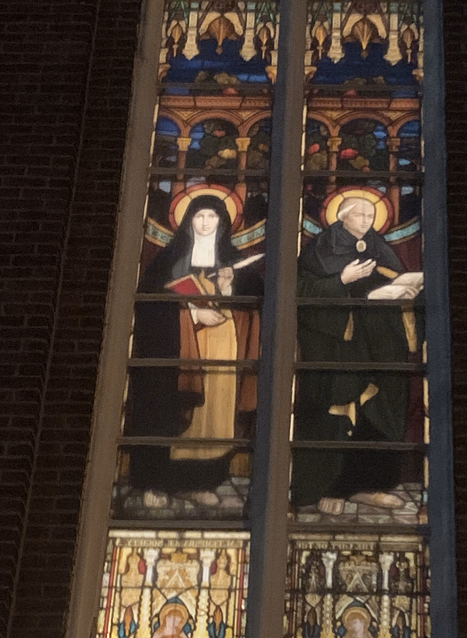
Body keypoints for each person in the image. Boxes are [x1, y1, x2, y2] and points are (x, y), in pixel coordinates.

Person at [292, 195, 423, 515]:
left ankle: (368, 486)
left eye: (371, 215)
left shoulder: (379, 247)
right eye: (360, 214)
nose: (367, 220)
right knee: (336, 411)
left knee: (380, 409)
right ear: (342, 217)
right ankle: (327, 487)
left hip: (379, 344)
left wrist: (404, 293)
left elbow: (394, 281)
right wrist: (341, 281)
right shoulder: (321, 248)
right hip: (336, 345)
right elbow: (301, 291)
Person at [127, 193, 260, 505]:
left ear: (223, 223)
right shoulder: (169, 260)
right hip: (177, 348)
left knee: (215, 413)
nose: (205, 222)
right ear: (188, 221)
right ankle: (157, 482)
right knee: (169, 409)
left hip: (222, 346)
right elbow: (149, 301)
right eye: (199, 216)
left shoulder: (232, 258)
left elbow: (256, 302)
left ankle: (202, 482)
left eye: (212, 217)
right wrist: (191, 312)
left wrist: (228, 287)